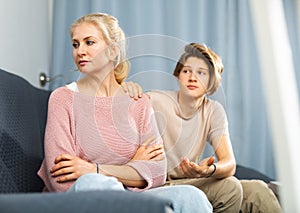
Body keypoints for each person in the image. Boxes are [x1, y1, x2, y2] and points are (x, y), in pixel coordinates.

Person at [37, 13, 213, 213]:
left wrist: (94, 168)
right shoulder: (63, 98)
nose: (80, 51)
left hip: (132, 198)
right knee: (93, 183)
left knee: (190, 195)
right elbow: (60, 178)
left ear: (113, 51)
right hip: (81, 199)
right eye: (76, 44)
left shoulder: (138, 101)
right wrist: (132, 167)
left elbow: (156, 172)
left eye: (89, 42)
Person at [122, 43, 282, 213]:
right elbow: (120, 110)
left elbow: (229, 164)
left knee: (258, 190)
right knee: (229, 186)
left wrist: (208, 170)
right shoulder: (155, 100)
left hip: (191, 181)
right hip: (159, 183)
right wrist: (125, 89)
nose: (192, 77)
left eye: (201, 73)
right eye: (186, 71)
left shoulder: (214, 110)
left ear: (212, 81)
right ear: (178, 76)